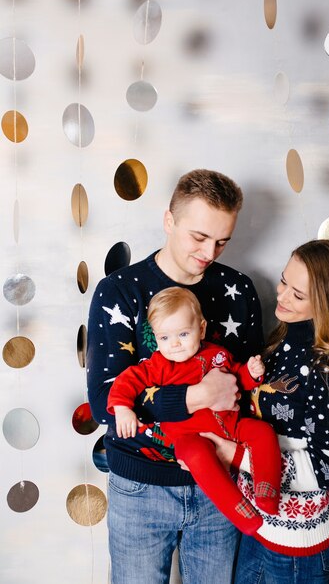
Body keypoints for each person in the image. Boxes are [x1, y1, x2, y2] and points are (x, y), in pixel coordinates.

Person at [86, 169, 264, 584]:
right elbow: (103, 403)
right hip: (140, 490)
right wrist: (196, 396)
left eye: (222, 241)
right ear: (169, 221)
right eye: (199, 237)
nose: (210, 252)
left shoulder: (239, 290)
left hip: (220, 486)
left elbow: (248, 392)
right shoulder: (120, 291)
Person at [202, 239, 329, 583]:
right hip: (258, 527)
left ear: (328, 305)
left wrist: (236, 456)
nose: (281, 297)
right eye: (284, 281)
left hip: (297, 546)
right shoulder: (281, 343)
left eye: (298, 295)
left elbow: (324, 471)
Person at [107, 286, 281, 536]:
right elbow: (127, 380)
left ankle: (267, 490)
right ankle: (237, 509)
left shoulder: (218, 355)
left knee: (263, 432)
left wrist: (252, 374)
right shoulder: (160, 365)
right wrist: (123, 408)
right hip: (189, 437)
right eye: (164, 338)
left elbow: (237, 381)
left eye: (183, 333)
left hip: (232, 425)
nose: (174, 344)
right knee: (197, 455)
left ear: (201, 329)